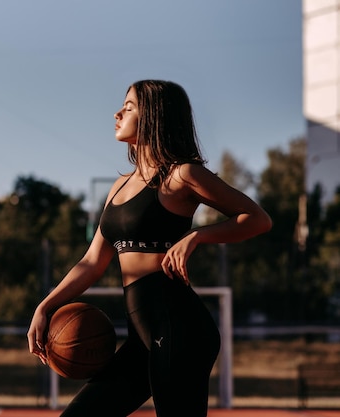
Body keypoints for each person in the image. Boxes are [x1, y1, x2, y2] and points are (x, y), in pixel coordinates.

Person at [27, 80, 272, 417]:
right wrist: (46, 306)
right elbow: (92, 262)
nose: (117, 113)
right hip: (143, 337)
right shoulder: (119, 186)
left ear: (155, 116)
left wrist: (197, 236)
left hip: (179, 328)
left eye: (129, 107)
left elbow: (257, 219)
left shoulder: (183, 175)